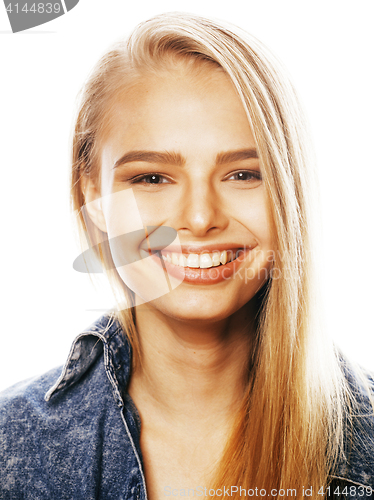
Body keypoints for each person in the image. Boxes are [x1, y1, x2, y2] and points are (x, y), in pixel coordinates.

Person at [1, 12, 374, 500]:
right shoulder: (14, 446)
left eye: (243, 174)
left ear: (290, 190)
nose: (199, 219)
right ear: (92, 192)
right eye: (152, 178)